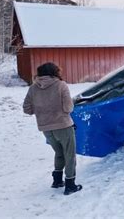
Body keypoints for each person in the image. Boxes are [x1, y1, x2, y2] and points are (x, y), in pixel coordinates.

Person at [23, 62, 82, 195]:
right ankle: (70, 184)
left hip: (45, 128)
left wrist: (41, 110)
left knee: (59, 152)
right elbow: (69, 108)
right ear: (55, 72)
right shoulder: (61, 85)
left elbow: (27, 109)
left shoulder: (33, 88)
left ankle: (57, 181)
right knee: (69, 155)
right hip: (63, 126)